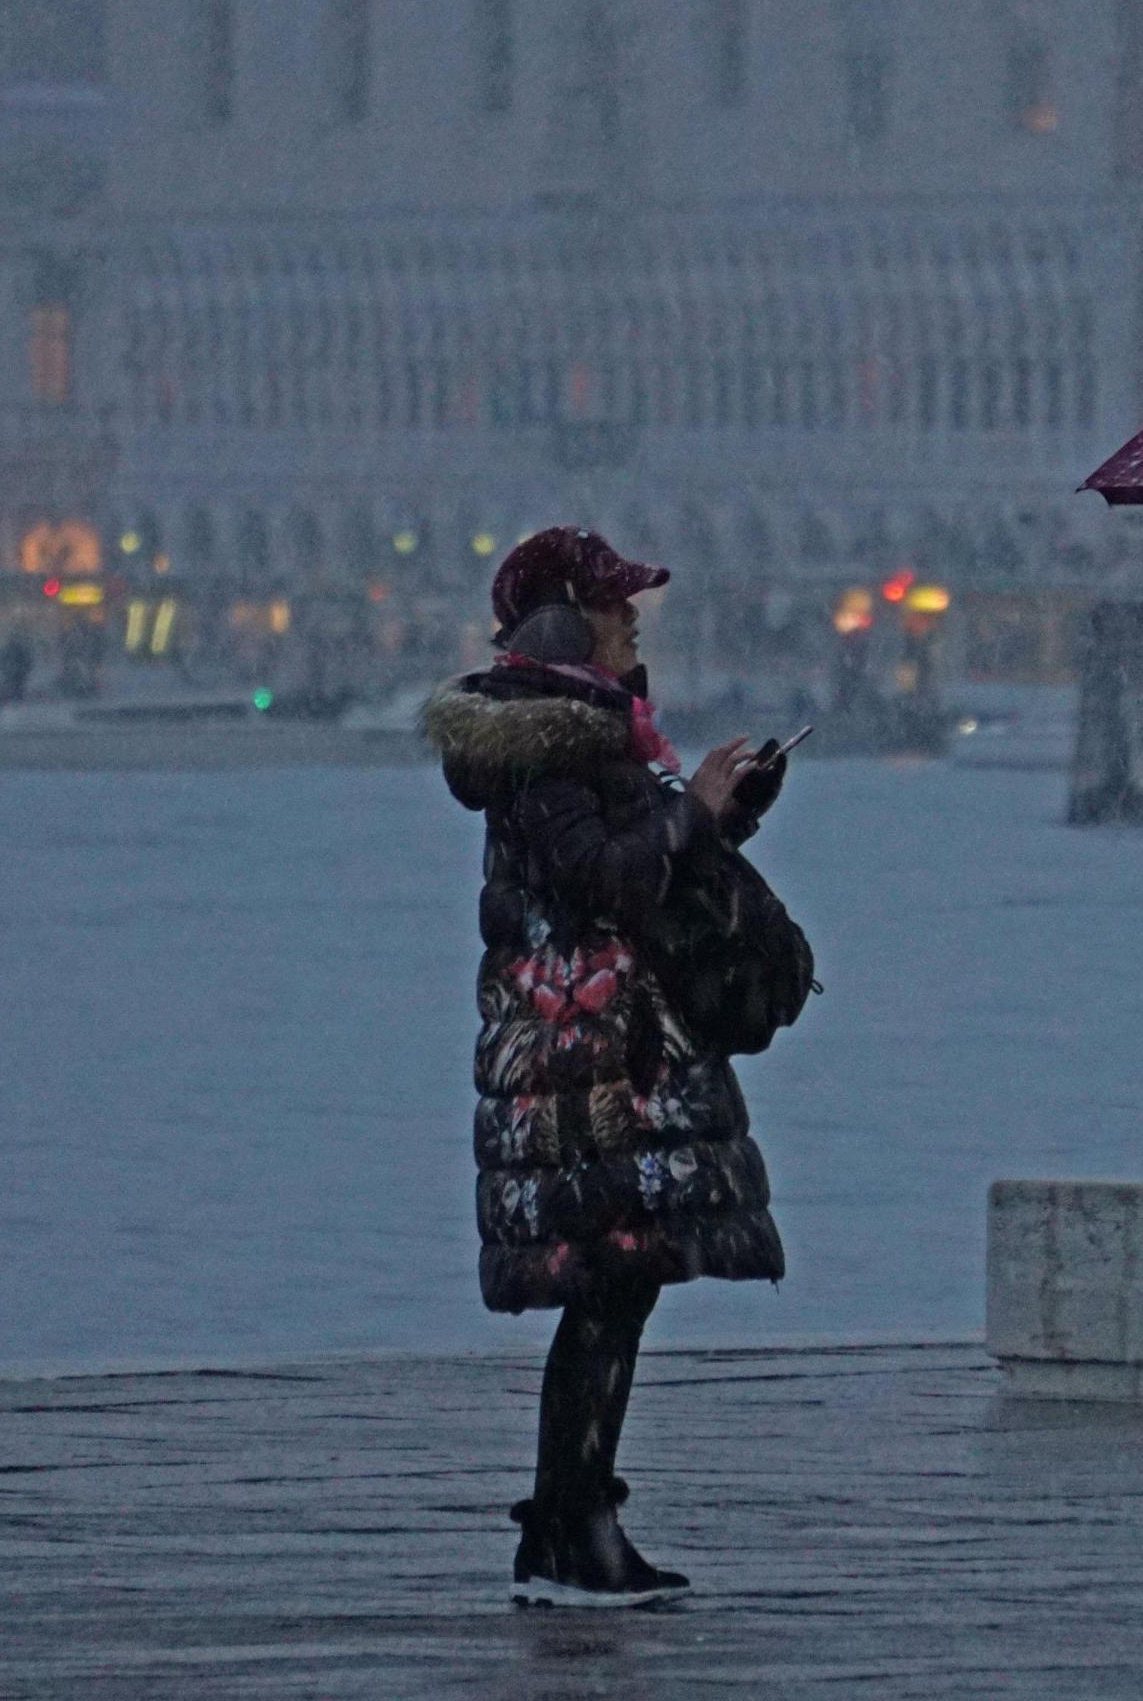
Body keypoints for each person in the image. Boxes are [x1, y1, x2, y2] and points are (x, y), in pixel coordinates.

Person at [420, 526, 815, 1608]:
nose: (635, 618)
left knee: (617, 1282)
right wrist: (689, 812)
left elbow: (642, 865)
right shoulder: (552, 739)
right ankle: (572, 1523)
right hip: (581, 1043)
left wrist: (715, 814)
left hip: (603, 1038)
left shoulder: (593, 729)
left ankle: (571, 1516)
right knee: (609, 1278)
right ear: (562, 617)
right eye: (614, 601)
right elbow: (605, 878)